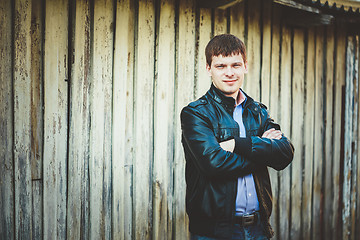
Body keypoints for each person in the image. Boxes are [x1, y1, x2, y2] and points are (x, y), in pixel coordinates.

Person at [180, 34, 294, 240]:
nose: (229, 73)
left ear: (245, 67)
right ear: (208, 69)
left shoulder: (258, 111)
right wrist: (263, 153)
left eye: (236, 65)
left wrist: (236, 144)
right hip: (214, 232)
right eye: (221, 66)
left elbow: (285, 153)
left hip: (259, 228)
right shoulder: (195, 114)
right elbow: (213, 164)